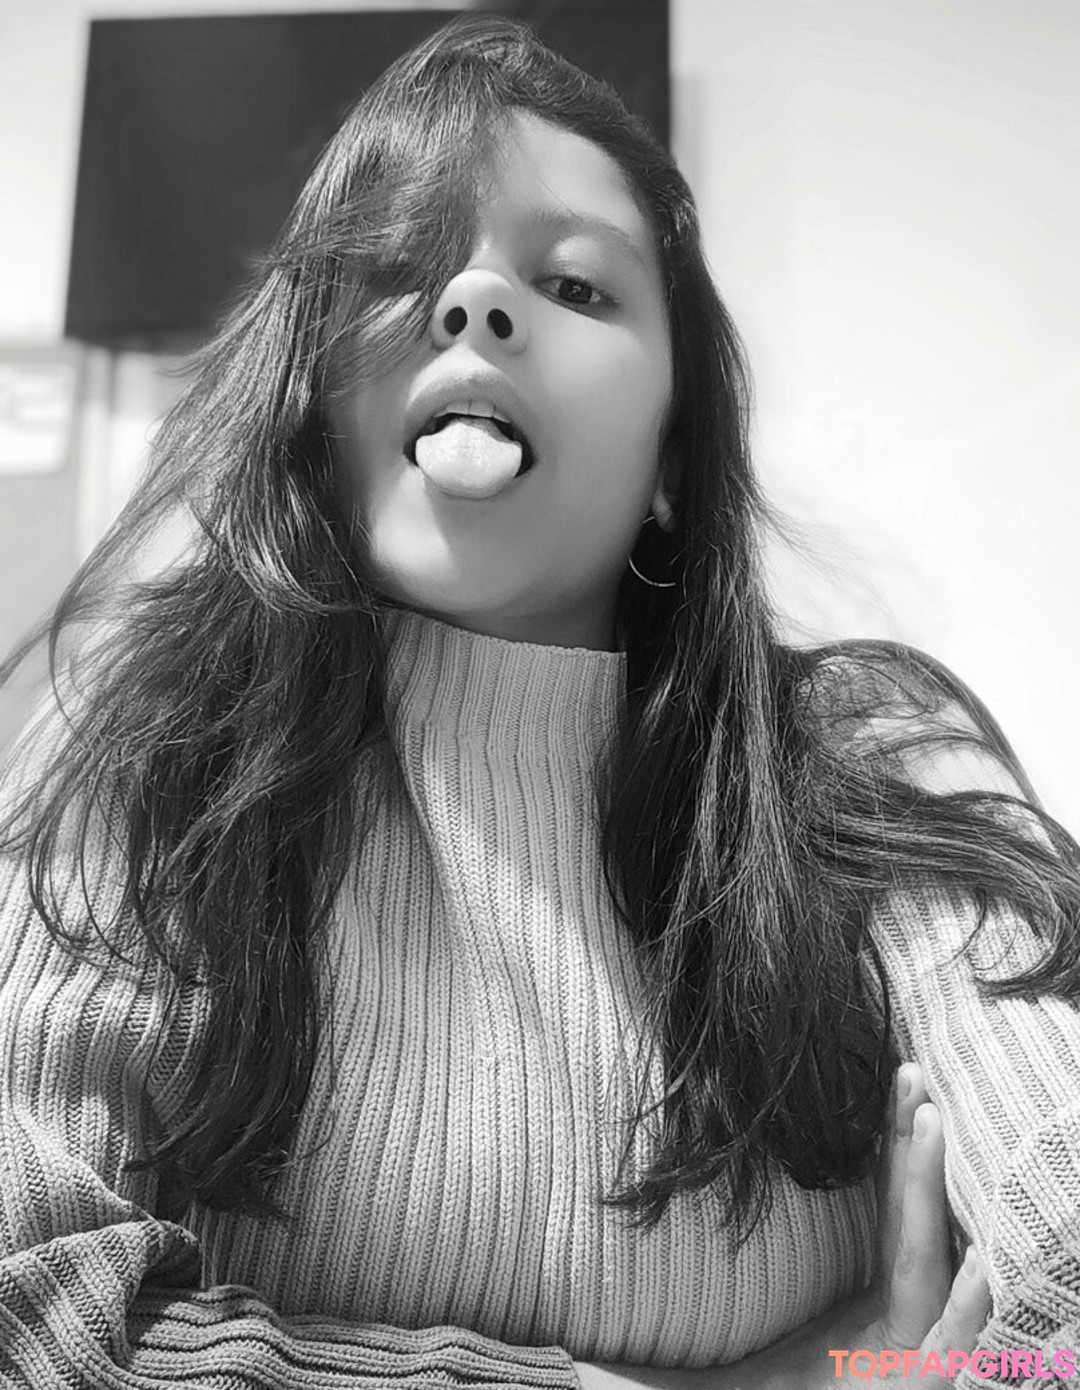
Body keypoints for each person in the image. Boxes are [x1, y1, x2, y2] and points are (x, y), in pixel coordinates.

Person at [1, 14, 1077, 1388]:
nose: (474, 302)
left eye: (574, 284)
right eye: (402, 267)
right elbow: (40, 1319)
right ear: (310, 397)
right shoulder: (140, 749)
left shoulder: (868, 749)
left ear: (677, 452)